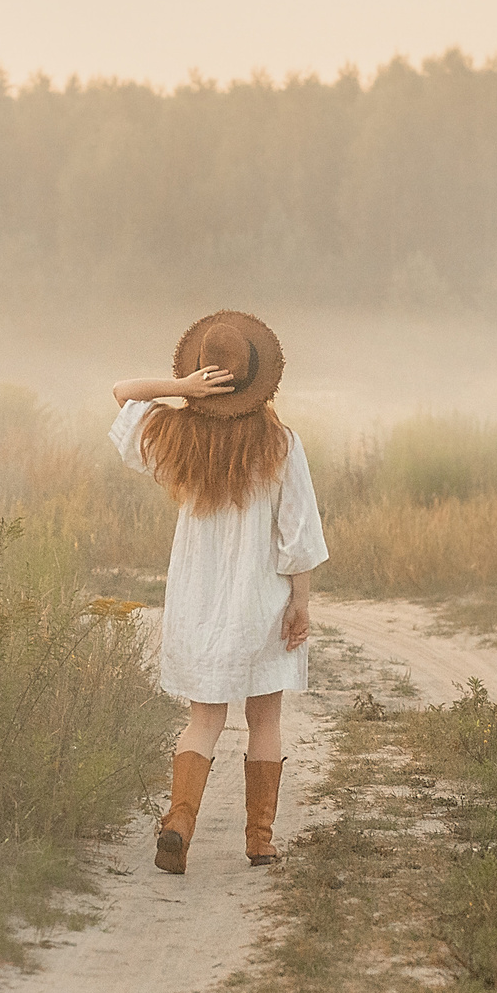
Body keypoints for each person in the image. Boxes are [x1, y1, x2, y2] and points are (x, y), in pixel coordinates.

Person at [110, 311, 329, 873]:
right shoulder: (281, 444)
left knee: (203, 721)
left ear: (204, 376)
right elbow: (298, 534)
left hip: (199, 600)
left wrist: (181, 389)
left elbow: (122, 392)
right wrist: (300, 603)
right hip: (262, 601)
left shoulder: (176, 437)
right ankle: (260, 840)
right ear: (259, 381)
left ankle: (179, 825)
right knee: (265, 719)